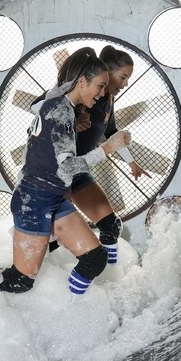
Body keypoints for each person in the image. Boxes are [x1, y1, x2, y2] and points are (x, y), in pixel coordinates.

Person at [0, 48, 132, 295]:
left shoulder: (62, 104)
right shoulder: (61, 110)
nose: (101, 93)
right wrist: (107, 148)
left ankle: (70, 313)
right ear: (82, 81)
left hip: (54, 197)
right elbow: (66, 168)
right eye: (99, 86)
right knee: (20, 281)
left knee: (94, 259)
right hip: (33, 200)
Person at [46, 45, 151, 265]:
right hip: (59, 174)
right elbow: (40, 106)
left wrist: (132, 162)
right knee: (51, 237)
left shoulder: (107, 101)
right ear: (105, 72)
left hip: (80, 173)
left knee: (111, 227)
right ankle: (45, 278)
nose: (125, 84)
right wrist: (73, 119)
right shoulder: (73, 98)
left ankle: (109, 278)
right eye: (123, 77)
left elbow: (111, 133)